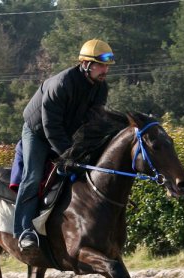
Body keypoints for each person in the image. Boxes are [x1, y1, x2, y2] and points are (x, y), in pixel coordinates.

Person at [14, 38, 114, 251]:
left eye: (107, 66)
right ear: (86, 64)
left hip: (65, 132)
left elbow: (94, 121)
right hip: (38, 132)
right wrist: (69, 155)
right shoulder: (62, 84)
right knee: (32, 177)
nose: (105, 70)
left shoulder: (100, 87)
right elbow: (51, 127)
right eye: (101, 65)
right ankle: (24, 231)